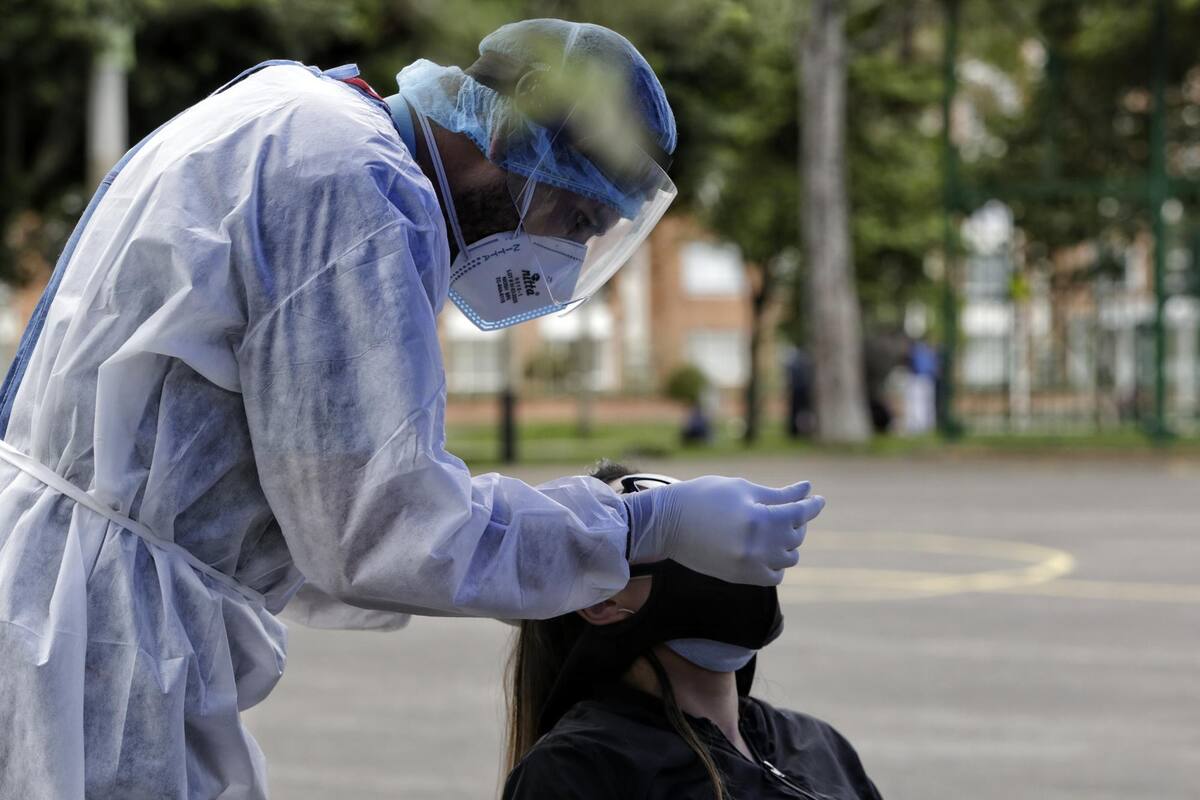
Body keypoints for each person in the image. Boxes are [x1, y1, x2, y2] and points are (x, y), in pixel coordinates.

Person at [0, 19, 827, 799]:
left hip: (81, 603)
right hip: (98, 635)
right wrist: (633, 530)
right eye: (573, 217)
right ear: (509, 131)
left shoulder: (299, 117)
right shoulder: (354, 182)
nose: (566, 256)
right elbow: (383, 527)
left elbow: (314, 516)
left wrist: (564, 549)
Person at [502, 463, 881, 800]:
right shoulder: (581, 770)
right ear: (601, 600)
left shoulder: (815, 744)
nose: (720, 538)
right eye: (671, 529)